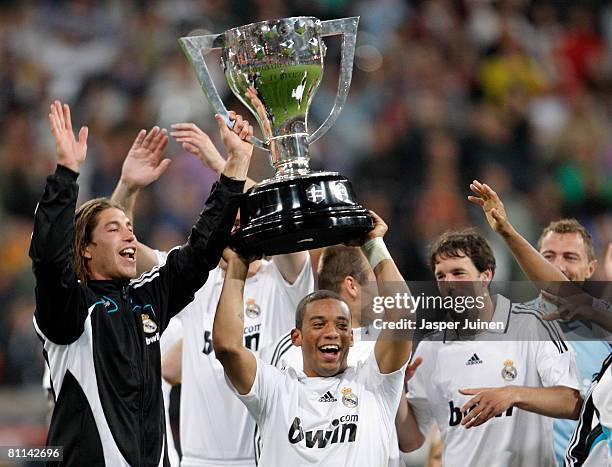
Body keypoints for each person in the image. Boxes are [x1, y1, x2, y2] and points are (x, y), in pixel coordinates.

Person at [31, 100, 252, 466]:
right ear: (86, 249)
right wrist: (66, 174)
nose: (130, 238)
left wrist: (236, 167)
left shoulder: (146, 298)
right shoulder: (70, 312)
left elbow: (200, 252)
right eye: (114, 229)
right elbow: (49, 260)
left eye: (131, 229)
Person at [112, 120, 314, 467]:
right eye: (227, 218)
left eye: (242, 216)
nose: (234, 225)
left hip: (267, 456)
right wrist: (127, 187)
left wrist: (225, 164)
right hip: (196, 460)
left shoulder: (285, 282)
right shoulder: (195, 280)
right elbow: (119, 256)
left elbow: (281, 215)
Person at [213, 215, 414, 465]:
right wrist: (238, 264)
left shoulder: (374, 383)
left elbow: (403, 315)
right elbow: (227, 347)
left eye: (342, 325)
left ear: (351, 338)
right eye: (319, 324)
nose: (332, 332)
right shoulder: (276, 390)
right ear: (296, 337)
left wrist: (373, 245)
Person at [396, 228, 582, 467]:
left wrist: (512, 394)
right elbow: (411, 440)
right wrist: (396, 390)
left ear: (486, 276)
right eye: (441, 276)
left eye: (458, 273)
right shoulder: (430, 348)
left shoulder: (532, 324)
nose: (449, 283)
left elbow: (572, 402)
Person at [467, 180, 612, 465]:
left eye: (570, 257)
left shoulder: (604, 322)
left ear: (591, 268)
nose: (558, 267)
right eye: (548, 257)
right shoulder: (508, 328)